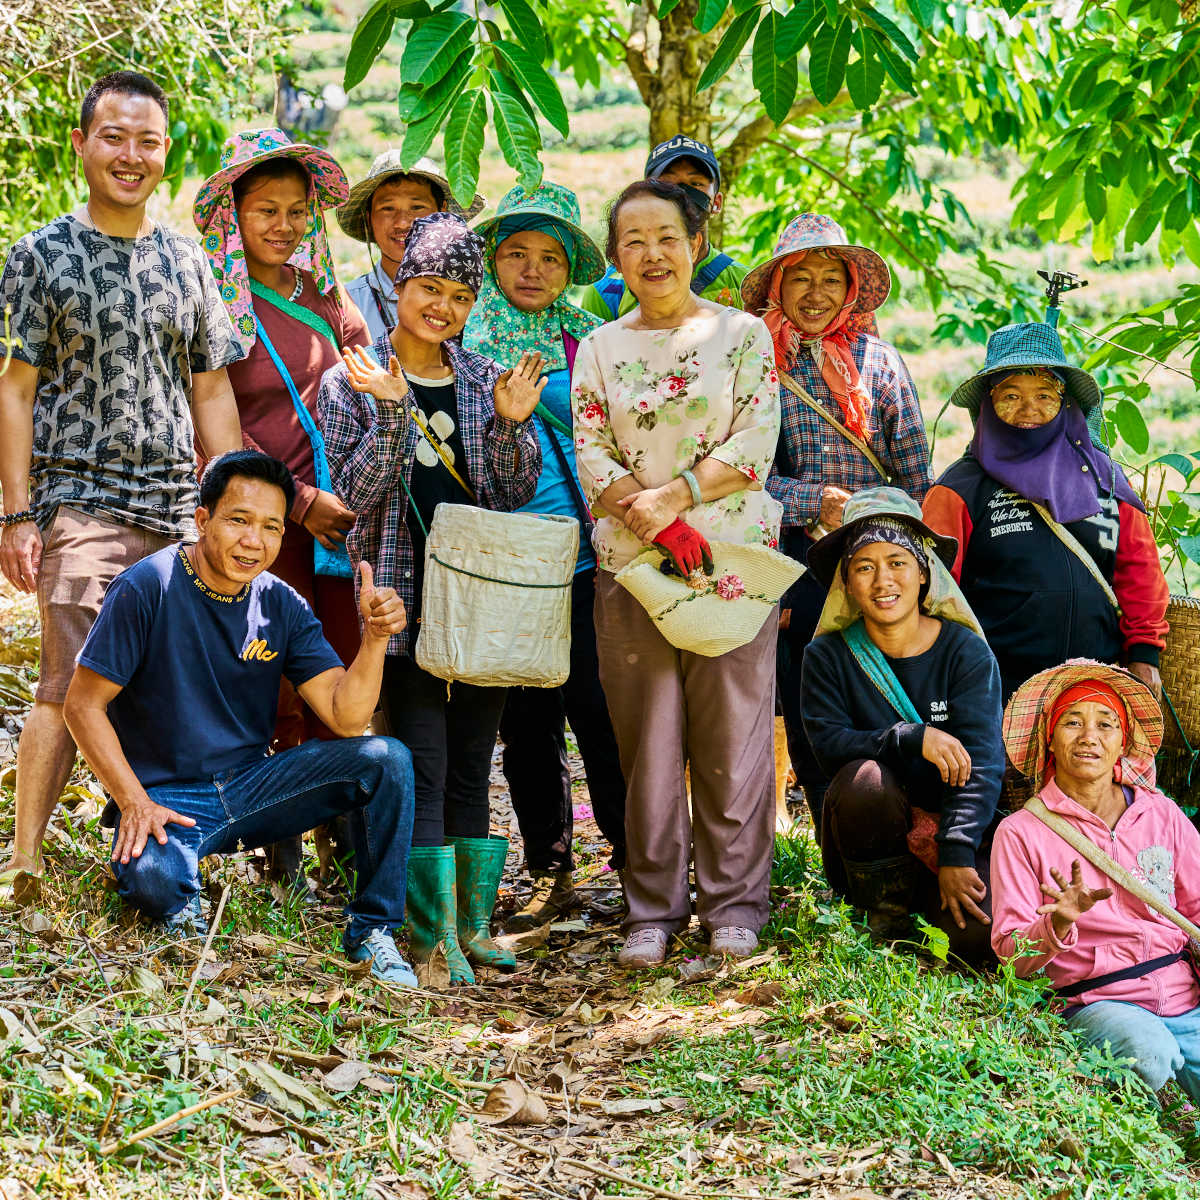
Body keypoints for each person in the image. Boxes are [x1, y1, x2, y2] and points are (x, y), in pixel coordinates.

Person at [0, 72, 243, 882]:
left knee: (159, 688)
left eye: (147, 142)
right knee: (68, 681)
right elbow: (16, 388)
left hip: (176, 508)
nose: (129, 156)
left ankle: (142, 852)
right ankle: (26, 861)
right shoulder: (39, 256)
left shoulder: (187, 260)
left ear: (165, 154)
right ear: (81, 145)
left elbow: (209, 384)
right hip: (79, 504)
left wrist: (234, 504)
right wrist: (17, 513)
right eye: (113, 137)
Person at [62, 450, 419, 985]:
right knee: (157, 881)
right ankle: (183, 910)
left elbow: (347, 719)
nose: (254, 541)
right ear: (203, 520)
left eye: (271, 527)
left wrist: (373, 641)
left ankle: (373, 931)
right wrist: (133, 802)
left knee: (385, 760)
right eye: (238, 520)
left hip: (254, 785)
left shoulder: (283, 604)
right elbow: (81, 706)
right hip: (167, 797)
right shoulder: (147, 587)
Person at [318, 211, 544, 985]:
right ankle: (428, 935)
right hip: (400, 599)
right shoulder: (349, 377)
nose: (440, 306)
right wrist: (388, 408)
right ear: (398, 287)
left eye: (456, 294)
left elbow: (511, 493)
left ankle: (471, 928)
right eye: (426, 288)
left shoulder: (485, 381)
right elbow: (355, 492)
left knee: (473, 763)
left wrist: (514, 428)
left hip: (479, 604)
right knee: (422, 756)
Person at [572, 178, 782, 969]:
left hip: (730, 562)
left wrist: (677, 498)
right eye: (634, 240)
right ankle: (652, 907)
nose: (652, 253)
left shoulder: (743, 334)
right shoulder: (600, 346)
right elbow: (590, 449)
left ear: (695, 243)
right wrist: (649, 516)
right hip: (632, 566)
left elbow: (758, 439)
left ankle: (734, 905)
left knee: (732, 735)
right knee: (647, 741)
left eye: (667, 236)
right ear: (616, 257)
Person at [193, 128, 370, 881]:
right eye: (266, 209)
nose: (284, 226)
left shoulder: (329, 302)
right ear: (233, 214)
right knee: (271, 677)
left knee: (336, 668)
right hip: (268, 528)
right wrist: (297, 504)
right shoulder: (215, 305)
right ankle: (281, 845)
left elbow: (373, 392)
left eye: (298, 211)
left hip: (342, 527)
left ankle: (342, 829)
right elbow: (214, 429)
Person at [460, 181, 627, 930]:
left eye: (551, 257)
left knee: (601, 714)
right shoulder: (466, 344)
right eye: (517, 254)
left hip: (587, 557)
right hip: (507, 559)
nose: (532, 270)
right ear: (492, 261)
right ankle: (550, 869)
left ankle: (635, 864)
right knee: (528, 724)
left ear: (570, 271)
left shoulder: (592, 343)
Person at [741, 212, 931, 830]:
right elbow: (739, 477)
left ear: (850, 288)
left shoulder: (881, 363)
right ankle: (833, 852)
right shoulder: (755, 367)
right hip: (797, 568)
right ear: (779, 287)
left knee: (886, 694)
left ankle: (896, 838)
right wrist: (810, 502)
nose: (815, 294)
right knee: (810, 703)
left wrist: (904, 551)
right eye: (801, 279)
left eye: (830, 279)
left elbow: (914, 474)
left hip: (882, 564)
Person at [799, 488, 1004, 961]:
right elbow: (828, 746)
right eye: (864, 567)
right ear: (846, 583)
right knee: (864, 780)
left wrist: (956, 853)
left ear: (923, 574)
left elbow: (984, 760)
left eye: (897, 562)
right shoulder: (827, 655)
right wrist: (911, 737)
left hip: (952, 829)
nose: (882, 580)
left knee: (977, 944)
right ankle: (882, 912)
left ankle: (927, 902)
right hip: (869, 831)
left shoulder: (964, 652)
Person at [922, 323, 1168, 703]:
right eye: (1011, 395)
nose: (1028, 411)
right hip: (994, 690)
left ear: (1065, 400)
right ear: (988, 402)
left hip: (1095, 689)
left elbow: (1140, 569)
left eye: (1044, 395)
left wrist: (1144, 653)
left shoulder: (1105, 477)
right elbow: (934, 593)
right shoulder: (958, 489)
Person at [991, 661, 1200, 1100]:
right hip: (1099, 1003)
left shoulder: (1162, 815)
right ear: (1050, 737)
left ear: (1124, 741)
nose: (1089, 736)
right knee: (1147, 1053)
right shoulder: (1021, 833)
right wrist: (1058, 924)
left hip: (1186, 999)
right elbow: (1011, 955)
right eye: (1072, 722)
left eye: (1106, 724)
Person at [580, 136, 746, 320]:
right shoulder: (608, 293)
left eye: (696, 183)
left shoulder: (745, 285)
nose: (682, 193)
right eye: (668, 184)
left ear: (717, 202)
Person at [337, 151, 484, 340]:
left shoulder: (471, 300)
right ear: (369, 218)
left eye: (417, 208)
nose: (403, 223)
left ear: (442, 212)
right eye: (388, 209)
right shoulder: (347, 305)